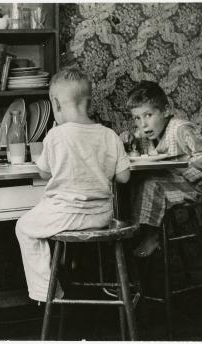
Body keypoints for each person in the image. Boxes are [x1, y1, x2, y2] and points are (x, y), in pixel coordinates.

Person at [15, 68, 131, 302]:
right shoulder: (110, 135)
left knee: (24, 226)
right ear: (88, 101)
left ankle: (47, 292)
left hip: (67, 215)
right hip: (102, 218)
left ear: (56, 104)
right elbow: (124, 178)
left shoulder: (56, 136)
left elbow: (44, 172)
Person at [126, 80, 202, 257]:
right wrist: (127, 139)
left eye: (148, 115)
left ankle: (151, 236)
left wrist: (183, 163)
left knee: (150, 184)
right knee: (133, 183)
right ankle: (133, 234)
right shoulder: (145, 134)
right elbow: (136, 146)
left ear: (165, 111)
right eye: (137, 118)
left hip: (188, 186)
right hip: (165, 183)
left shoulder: (181, 128)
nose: (143, 124)